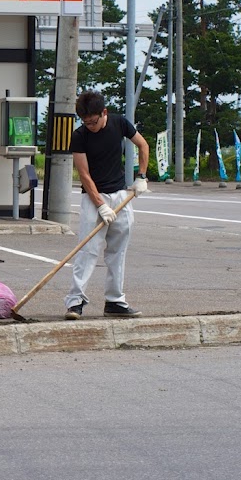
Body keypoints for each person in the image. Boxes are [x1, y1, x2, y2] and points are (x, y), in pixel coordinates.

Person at [63, 91, 150, 320]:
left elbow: (143, 145)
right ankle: (75, 302)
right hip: (94, 198)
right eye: (86, 122)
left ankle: (115, 301)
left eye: (93, 121)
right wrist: (101, 205)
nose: (90, 126)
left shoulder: (120, 123)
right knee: (88, 251)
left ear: (104, 113)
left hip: (120, 195)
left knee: (117, 252)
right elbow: (84, 174)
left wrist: (141, 177)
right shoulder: (79, 136)